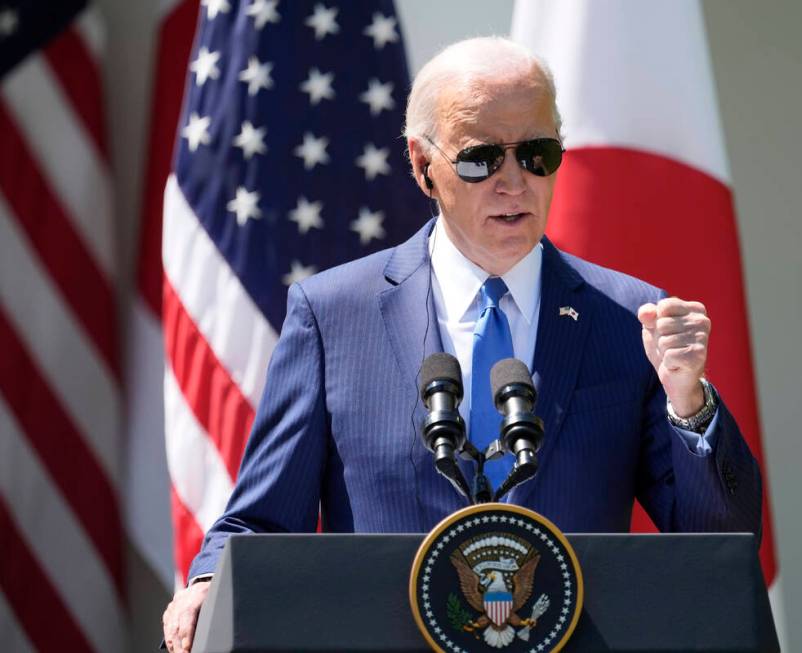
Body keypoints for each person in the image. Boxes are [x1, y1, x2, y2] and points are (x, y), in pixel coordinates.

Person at [162, 36, 762, 652]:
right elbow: (263, 518)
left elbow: (718, 542)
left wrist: (691, 404)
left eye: (536, 154)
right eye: (480, 159)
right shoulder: (332, 315)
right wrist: (209, 580)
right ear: (423, 166)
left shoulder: (623, 317)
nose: (514, 182)